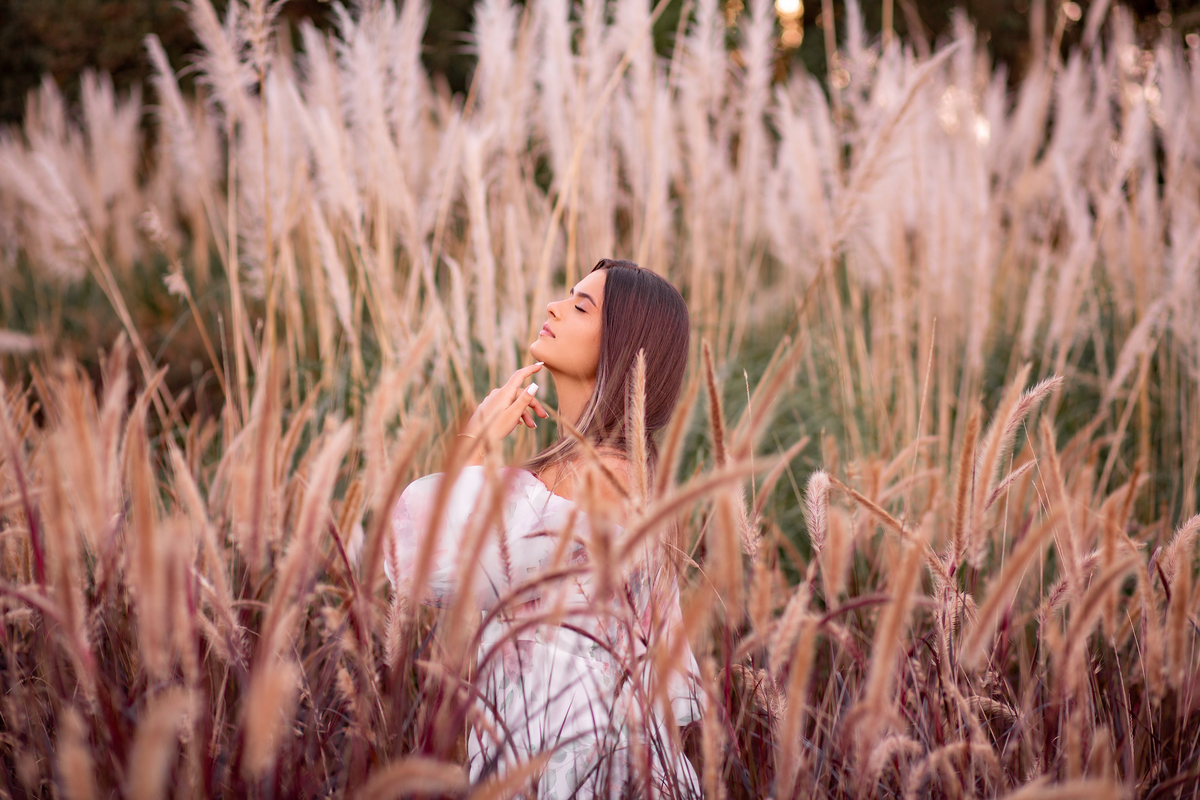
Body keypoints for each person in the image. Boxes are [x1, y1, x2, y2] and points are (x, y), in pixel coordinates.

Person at [386, 259, 702, 798]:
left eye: (581, 306)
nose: (554, 307)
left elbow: (418, 564)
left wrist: (477, 443)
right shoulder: (591, 473)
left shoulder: (601, 480)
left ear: (622, 347)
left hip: (580, 769)